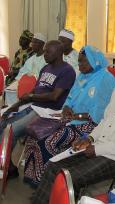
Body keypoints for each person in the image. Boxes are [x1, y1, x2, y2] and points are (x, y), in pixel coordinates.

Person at [31, 49, 115, 203]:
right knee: (54, 166)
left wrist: (97, 148)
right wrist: (90, 138)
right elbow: (105, 121)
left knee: (67, 177)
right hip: (102, 146)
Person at [23, 45, 115, 187]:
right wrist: (67, 107)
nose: (80, 65)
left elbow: (101, 113)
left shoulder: (105, 79)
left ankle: (50, 186)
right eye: (79, 61)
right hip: (70, 119)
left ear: (94, 61)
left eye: (84, 61)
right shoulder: (82, 76)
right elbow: (70, 97)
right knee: (34, 136)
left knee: (48, 141)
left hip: (90, 125)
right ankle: (36, 181)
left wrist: (75, 117)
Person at [0, 40, 76, 179]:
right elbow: (35, 90)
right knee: (3, 123)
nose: (45, 54)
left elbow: (54, 97)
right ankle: (8, 166)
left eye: (48, 51)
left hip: (47, 111)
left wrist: (31, 96)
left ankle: (4, 169)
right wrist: (12, 107)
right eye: (45, 51)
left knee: (12, 130)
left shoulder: (67, 71)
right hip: (33, 105)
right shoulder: (46, 68)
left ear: (59, 53)